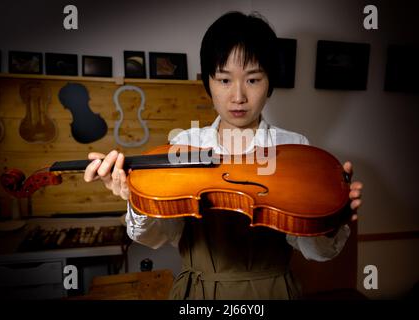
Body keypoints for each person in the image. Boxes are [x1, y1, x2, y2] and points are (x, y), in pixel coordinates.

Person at [84, 11, 363, 300]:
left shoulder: (294, 148)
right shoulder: (185, 143)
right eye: (224, 80)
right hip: (198, 295)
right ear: (209, 82)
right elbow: (156, 236)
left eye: (253, 80)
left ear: (270, 82)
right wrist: (136, 198)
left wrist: (331, 221)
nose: (238, 96)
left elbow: (316, 252)